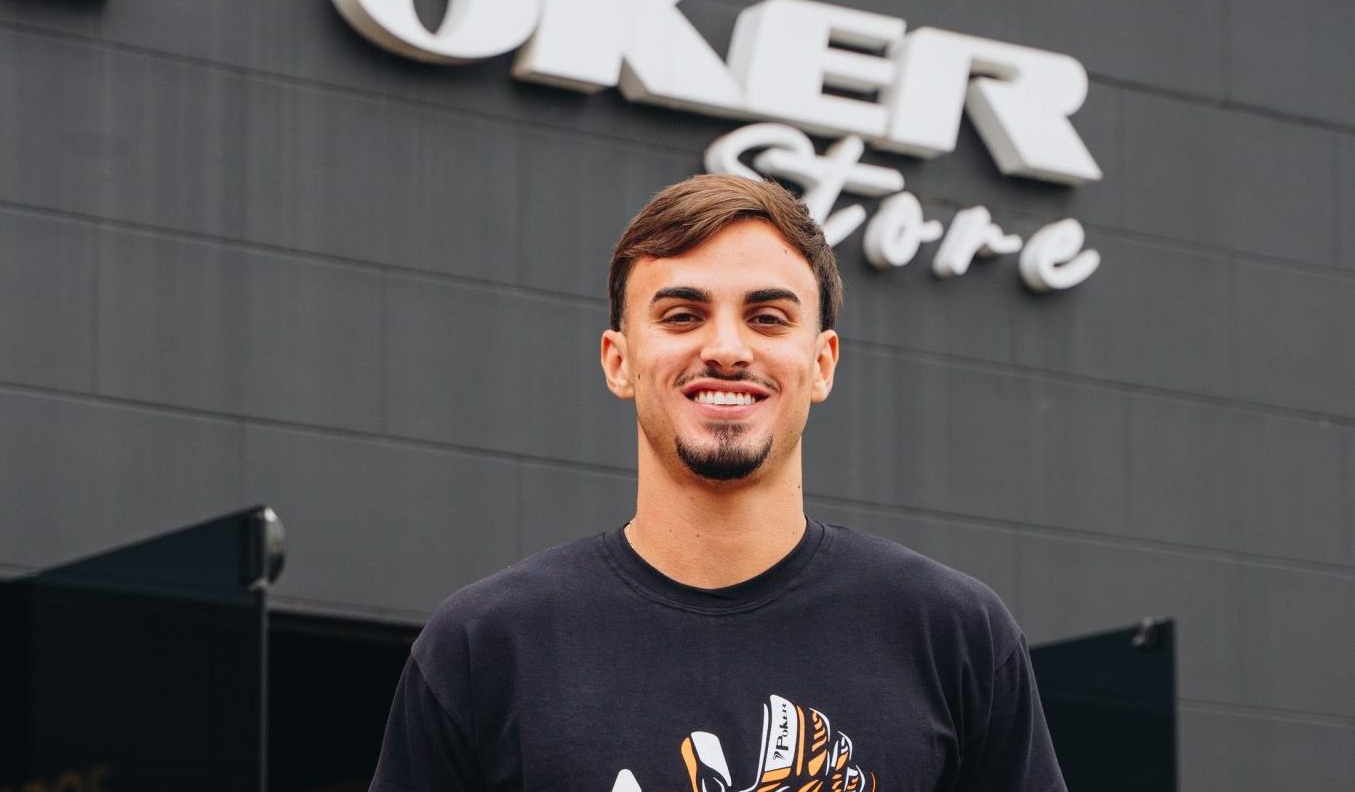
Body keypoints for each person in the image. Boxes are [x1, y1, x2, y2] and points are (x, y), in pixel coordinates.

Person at [370, 174, 1065, 792]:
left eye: (768, 316)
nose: (727, 348)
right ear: (619, 360)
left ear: (821, 363)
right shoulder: (486, 645)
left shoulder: (953, 637)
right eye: (682, 315)